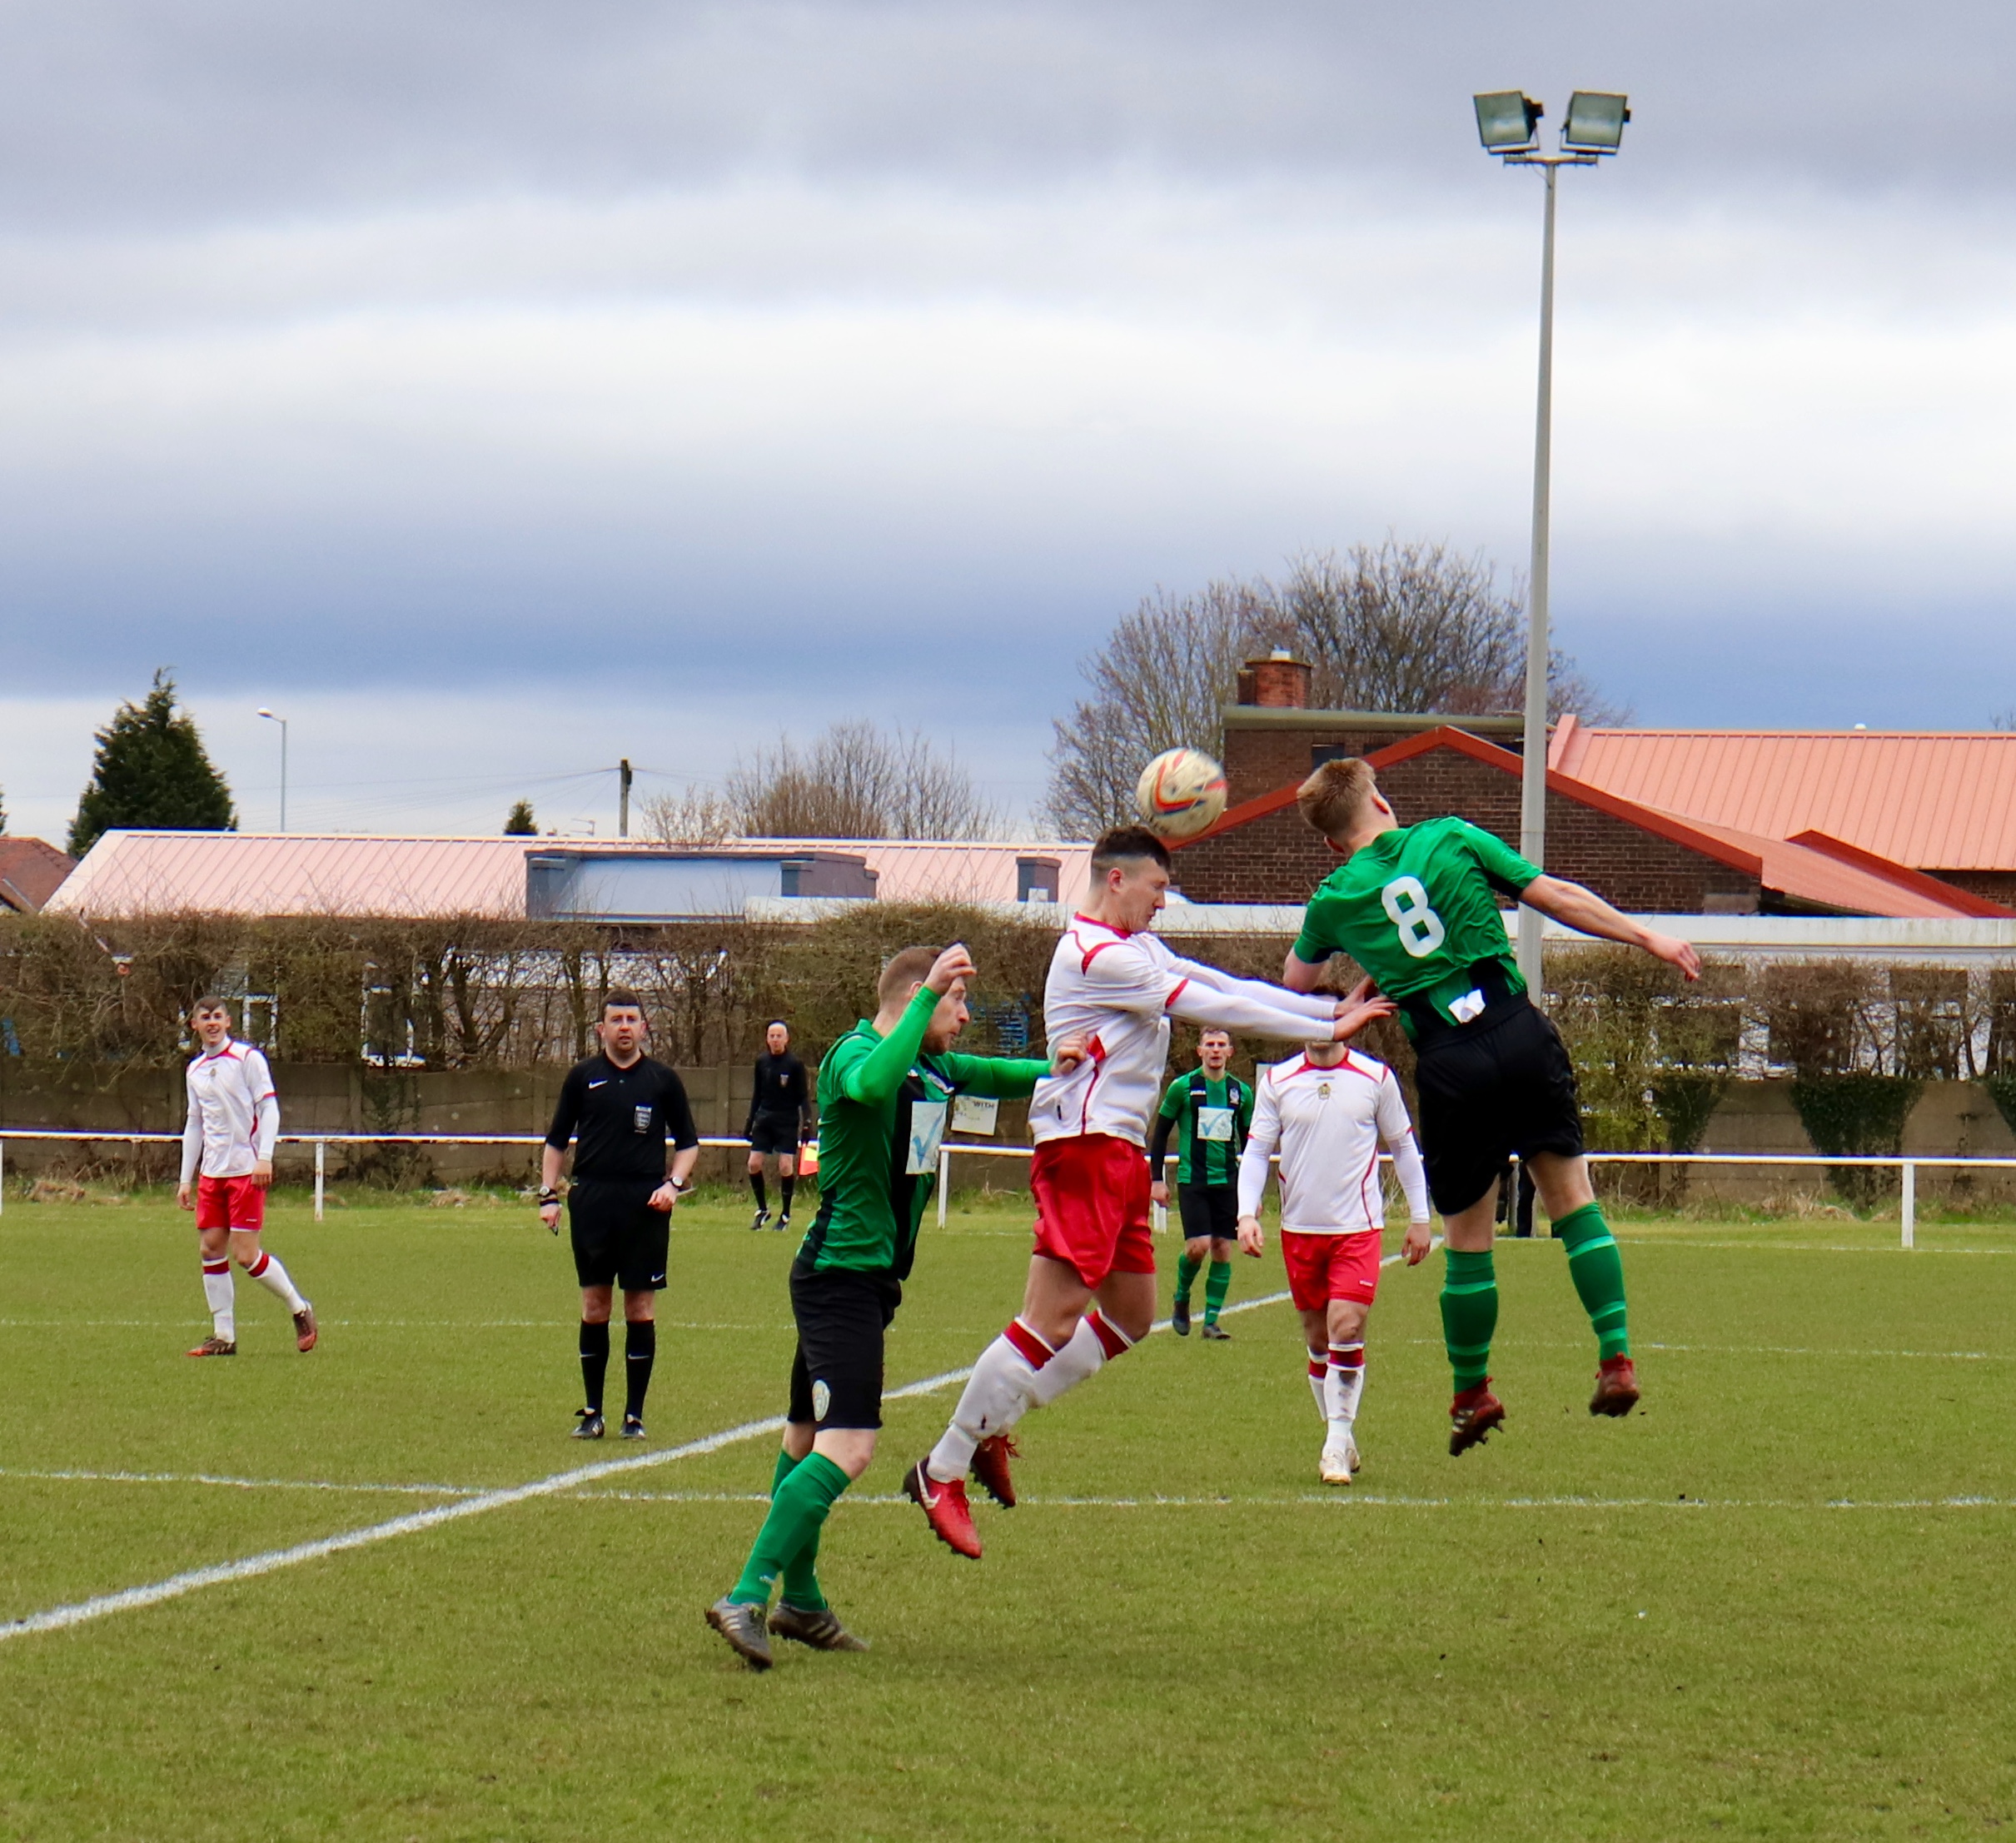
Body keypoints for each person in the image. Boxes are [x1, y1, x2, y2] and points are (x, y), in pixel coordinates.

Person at [905, 825, 1395, 1561]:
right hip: (1083, 1146)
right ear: (1116, 881)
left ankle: (992, 1422)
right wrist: (1328, 1019)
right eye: (1157, 888)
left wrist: (1327, 1015)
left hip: (1119, 1153)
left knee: (1130, 1316)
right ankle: (941, 1467)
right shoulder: (1096, 953)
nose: (1163, 902)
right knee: (1050, 1317)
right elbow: (1214, 1008)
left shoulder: (1134, 947)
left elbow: (1225, 986)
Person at [1282, 757, 1701, 1453]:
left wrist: (1358, 989)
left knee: (1469, 1242)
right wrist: (1645, 935)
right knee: (1573, 1202)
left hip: (1450, 1060)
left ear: (1330, 843)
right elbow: (1553, 894)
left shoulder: (1332, 900)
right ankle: (1615, 1356)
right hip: (1515, 1029)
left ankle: (1471, 1393)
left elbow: (1296, 984)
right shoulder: (1449, 835)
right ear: (1380, 802)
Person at [706, 943, 1084, 1669]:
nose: (964, 1016)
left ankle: (801, 1600)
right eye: (956, 1002)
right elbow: (873, 1086)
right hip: (839, 1277)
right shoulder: (853, 1053)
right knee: (849, 1448)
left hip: (866, 1279)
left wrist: (1055, 1063)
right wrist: (927, 997)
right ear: (917, 996)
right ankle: (744, 1595)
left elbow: (994, 1073)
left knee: (803, 1439)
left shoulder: (933, 1065)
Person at [1236, 1036, 1431, 1483]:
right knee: (1318, 1339)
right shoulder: (1279, 1081)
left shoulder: (1376, 1078)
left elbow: (1403, 1147)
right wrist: (1246, 1213)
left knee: (1346, 1326)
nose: (1322, 1027)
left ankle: (1333, 1449)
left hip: (1357, 1230)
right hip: (1300, 1231)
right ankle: (1341, 1435)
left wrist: (1420, 1217)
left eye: (1332, 1015)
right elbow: (1257, 1151)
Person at [539, 988, 699, 1441]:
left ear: (644, 1028)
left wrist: (673, 1185)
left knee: (640, 1307)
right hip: (592, 1200)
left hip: (644, 1205)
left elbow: (688, 1145)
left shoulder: (663, 1080)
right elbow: (556, 1142)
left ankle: (634, 1416)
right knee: (594, 1305)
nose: (624, 1027)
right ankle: (593, 1413)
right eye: (616, 1019)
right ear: (601, 1029)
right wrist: (548, 1196)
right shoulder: (582, 1077)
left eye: (631, 1019)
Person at [177, 996, 317, 1357]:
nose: (212, 1022)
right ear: (194, 1025)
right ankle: (224, 1336)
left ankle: (299, 1307)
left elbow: (269, 1108)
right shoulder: (194, 1070)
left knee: (245, 1255)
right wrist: (185, 1178)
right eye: (205, 1017)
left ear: (228, 1021)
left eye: (217, 1016)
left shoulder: (247, 1059)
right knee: (210, 1248)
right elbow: (195, 1123)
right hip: (212, 1173)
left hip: (246, 1170)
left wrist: (264, 1158)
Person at [1147, 1029, 1252, 1340]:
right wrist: (1156, 1180)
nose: (1215, 1050)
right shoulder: (1182, 1087)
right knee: (1198, 1247)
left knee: (1222, 1247)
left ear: (1230, 1052)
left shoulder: (1241, 1092)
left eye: (1221, 1045)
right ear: (1200, 1051)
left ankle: (1211, 1322)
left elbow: (1251, 1145)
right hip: (1193, 1179)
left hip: (1228, 1181)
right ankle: (1182, 1297)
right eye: (1210, 1045)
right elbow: (1160, 1134)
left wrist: (1251, 1193)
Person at [745, 1020, 814, 1233]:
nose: (775, 1040)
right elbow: (757, 1094)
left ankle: (785, 1214)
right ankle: (762, 1210)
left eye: (779, 1036)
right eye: (772, 1036)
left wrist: (807, 1123)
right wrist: (750, 1121)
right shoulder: (761, 1062)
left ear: (786, 1039)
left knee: (785, 1166)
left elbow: (803, 1096)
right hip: (765, 1118)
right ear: (767, 1039)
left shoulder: (794, 1064)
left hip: (787, 1120)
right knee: (753, 1164)